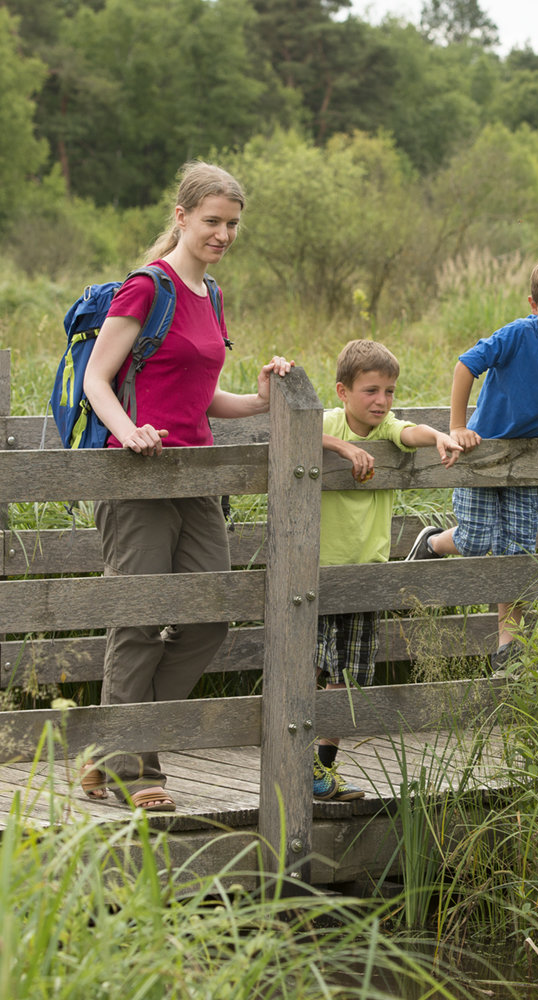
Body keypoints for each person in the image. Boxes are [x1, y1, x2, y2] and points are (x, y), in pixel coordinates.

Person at [80, 161, 294, 812]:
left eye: (232, 224)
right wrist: (131, 431)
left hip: (197, 478)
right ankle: (130, 767)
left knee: (208, 617)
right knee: (138, 622)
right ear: (181, 217)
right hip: (139, 476)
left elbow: (201, 401)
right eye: (211, 222)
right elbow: (97, 379)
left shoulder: (213, 296)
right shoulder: (148, 288)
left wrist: (259, 399)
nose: (222, 234)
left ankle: (111, 749)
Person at [406, 256, 538, 672]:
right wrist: (457, 426)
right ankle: (432, 542)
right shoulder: (517, 336)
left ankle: (510, 641)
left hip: (530, 460)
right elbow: (465, 365)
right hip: (482, 452)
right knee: (475, 540)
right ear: (533, 304)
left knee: (519, 549)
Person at [314, 339, 463, 800]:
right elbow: (296, 431)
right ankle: (295, 760)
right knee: (311, 669)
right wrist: (343, 448)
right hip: (319, 571)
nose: (381, 401)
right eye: (370, 391)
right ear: (343, 391)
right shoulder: (328, 422)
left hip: (368, 572)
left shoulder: (387, 430)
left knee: (349, 678)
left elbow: (409, 432)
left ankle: (320, 770)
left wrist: (437, 436)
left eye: (390, 391)